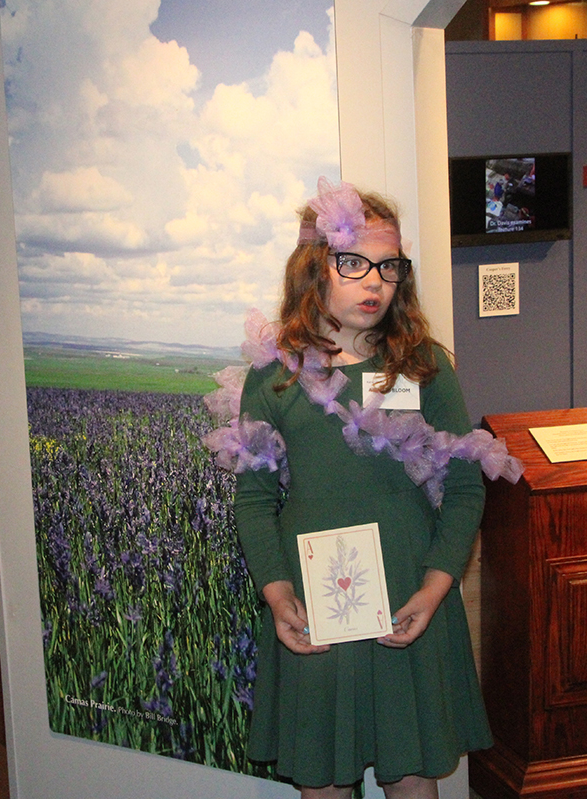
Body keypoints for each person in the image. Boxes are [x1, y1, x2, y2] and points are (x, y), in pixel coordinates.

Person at [203, 177, 522, 799]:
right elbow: (255, 500)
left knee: (412, 776)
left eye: (389, 266)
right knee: (322, 778)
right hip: (313, 602)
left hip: (410, 590)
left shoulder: (422, 366)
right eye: (353, 263)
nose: (375, 282)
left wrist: (437, 585)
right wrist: (276, 591)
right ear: (313, 268)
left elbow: (464, 486)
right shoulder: (274, 377)